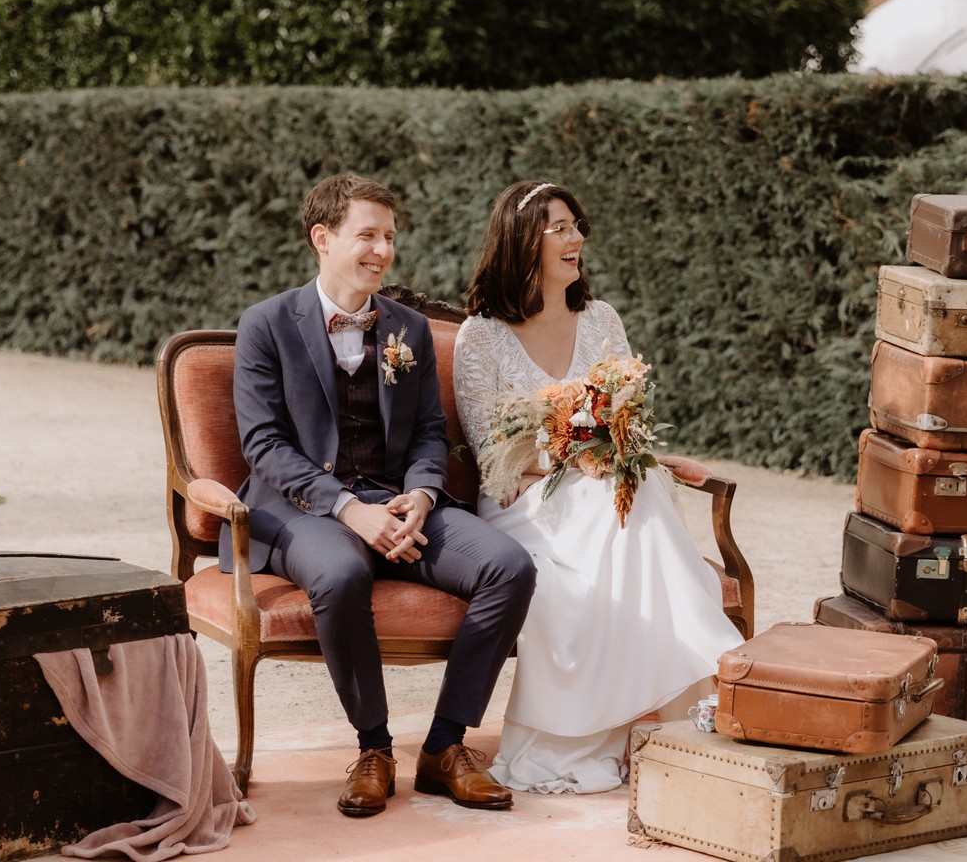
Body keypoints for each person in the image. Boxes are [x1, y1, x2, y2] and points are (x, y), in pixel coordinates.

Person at [229, 173, 536, 817]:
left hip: (400, 499)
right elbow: (263, 446)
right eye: (366, 234)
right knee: (340, 574)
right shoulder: (265, 324)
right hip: (304, 508)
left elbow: (429, 432)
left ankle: (446, 748)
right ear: (322, 238)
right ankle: (374, 750)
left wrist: (422, 496)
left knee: (508, 568)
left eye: (389, 236)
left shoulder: (409, 330)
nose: (382, 249)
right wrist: (350, 509)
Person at [451, 179, 744, 794]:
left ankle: (681, 707)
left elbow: (625, 421)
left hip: (603, 492)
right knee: (621, 500)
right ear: (521, 240)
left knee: (632, 494)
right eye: (560, 227)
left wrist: (627, 455)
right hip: (521, 503)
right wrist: (573, 455)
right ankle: (702, 678)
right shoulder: (481, 334)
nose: (577, 238)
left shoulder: (602, 320)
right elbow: (491, 453)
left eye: (576, 226)